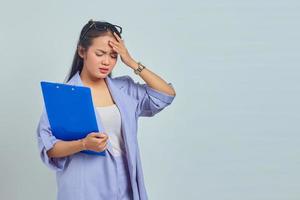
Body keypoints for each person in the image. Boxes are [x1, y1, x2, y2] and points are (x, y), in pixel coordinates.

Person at [36, 19, 176, 200]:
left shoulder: (124, 89)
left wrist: (132, 63)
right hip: (85, 186)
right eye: (100, 53)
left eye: (113, 55)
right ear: (82, 51)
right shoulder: (64, 96)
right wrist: (83, 144)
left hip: (126, 181)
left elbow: (166, 94)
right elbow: (49, 148)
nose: (107, 62)